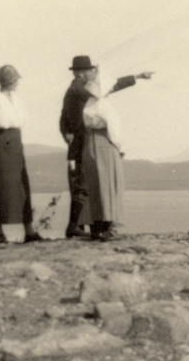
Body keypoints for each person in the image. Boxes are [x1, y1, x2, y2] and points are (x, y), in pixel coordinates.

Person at [60, 56, 152, 239]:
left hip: (81, 141)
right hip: (82, 141)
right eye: (90, 70)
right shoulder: (78, 89)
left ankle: (85, 227)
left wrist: (136, 76)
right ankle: (79, 226)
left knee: (87, 184)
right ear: (80, 73)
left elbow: (63, 119)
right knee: (84, 185)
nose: (93, 74)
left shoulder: (79, 89)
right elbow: (105, 88)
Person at [0, 65, 44, 246]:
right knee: (0, 189)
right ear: (7, 81)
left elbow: (24, 120)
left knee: (23, 187)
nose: (17, 82)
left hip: (15, 143)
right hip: (0, 145)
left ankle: (29, 231)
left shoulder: (16, 99)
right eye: (14, 79)